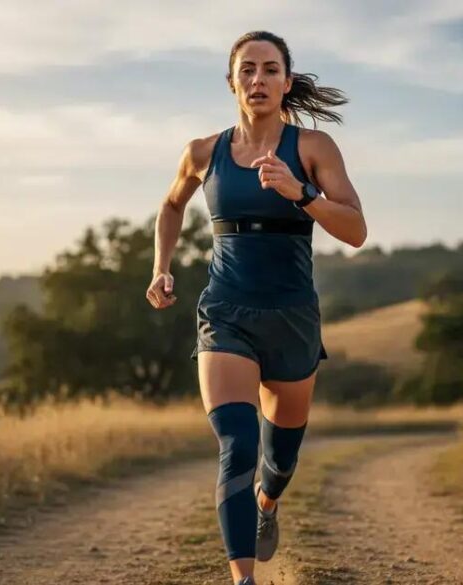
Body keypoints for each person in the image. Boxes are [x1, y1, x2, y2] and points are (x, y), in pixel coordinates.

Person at [146, 30, 367, 585]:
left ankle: (268, 504)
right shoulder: (203, 152)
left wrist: (302, 194)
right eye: (247, 69)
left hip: (292, 316)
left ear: (286, 82)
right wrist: (161, 266)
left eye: (270, 69)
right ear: (232, 83)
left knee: (278, 460)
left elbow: (357, 230)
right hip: (226, 312)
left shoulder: (313, 149)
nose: (258, 79)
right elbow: (171, 207)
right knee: (237, 445)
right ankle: (243, 579)